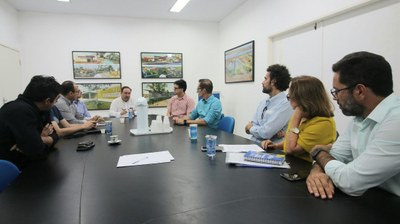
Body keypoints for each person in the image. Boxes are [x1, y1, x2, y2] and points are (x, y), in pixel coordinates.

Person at [307, 51, 400, 199]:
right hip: (374, 201)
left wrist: (319, 153)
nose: (335, 97)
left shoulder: (396, 121)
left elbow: (350, 182)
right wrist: (317, 171)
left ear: (360, 91)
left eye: (337, 91)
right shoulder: (360, 117)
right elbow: (335, 156)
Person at [261, 76, 337, 162]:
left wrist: (296, 117)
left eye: (290, 96)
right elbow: (296, 141)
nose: (289, 100)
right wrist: (276, 146)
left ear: (302, 99)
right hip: (294, 165)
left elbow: (291, 149)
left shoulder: (323, 123)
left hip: (308, 170)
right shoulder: (305, 117)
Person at [0, 75, 61, 168]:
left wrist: (41, 139)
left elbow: (56, 135)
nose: (55, 103)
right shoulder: (19, 111)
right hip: (12, 170)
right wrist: (41, 141)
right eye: (56, 100)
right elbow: (38, 152)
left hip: (27, 164)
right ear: (47, 101)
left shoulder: (43, 110)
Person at [245, 64, 293, 143]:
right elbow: (253, 123)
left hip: (271, 150)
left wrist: (251, 128)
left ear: (273, 82)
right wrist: (254, 128)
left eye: (265, 79)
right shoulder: (263, 102)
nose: (262, 82)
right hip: (254, 144)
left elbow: (266, 133)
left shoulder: (286, 104)